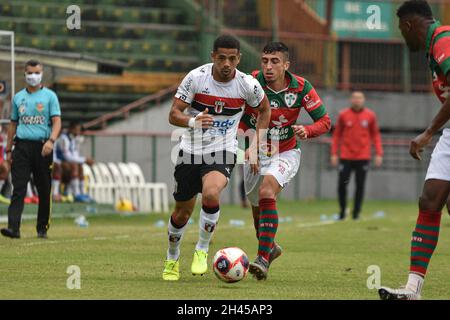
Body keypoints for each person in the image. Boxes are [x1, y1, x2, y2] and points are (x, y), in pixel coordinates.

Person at [162, 35, 271, 281]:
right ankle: (172, 257)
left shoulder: (247, 84)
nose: (226, 63)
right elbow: (173, 114)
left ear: (239, 59)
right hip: (190, 151)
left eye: (232, 58)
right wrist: (192, 121)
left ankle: (202, 249)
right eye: (221, 57)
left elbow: (265, 110)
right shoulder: (196, 78)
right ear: (213, 56)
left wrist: (255, 144)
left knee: (211, 193)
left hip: (223, 150)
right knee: (181, 213)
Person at [239, 42, 331, 280]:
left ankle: (261, 259)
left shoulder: (301, 87)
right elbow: (237, 117)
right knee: (257, 210)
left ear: (286, 65)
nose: (268, 67)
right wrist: (249, 146)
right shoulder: (251, 83)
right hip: (255, 152)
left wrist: (307, 130)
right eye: (265, 61)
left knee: (267, 190)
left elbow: (325, 121)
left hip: (286, 151)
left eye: (275, 61)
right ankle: (270, 247)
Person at [379, 0, 450, 300]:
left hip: (444, 131)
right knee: (430, 202)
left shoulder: (444, 40)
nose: (401, 36)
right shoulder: (435, 45)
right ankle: (412, 290)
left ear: (408, 25)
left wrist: (427, 133)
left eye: (400, 29)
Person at [1, 59, 61, 239]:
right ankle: (13, 228)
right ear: (25, 74)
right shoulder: (19, 97)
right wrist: (9, 149)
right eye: (30, 73)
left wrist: (51, 141)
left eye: (36, 72)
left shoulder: (50, 96)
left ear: (41, 74)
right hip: (22, 147)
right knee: (18, 187)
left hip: (43, 146)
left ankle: (42, 227)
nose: (33, 76)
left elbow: (57, 122)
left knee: (44, 188)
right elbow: (13, 124)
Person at [331, 91, 383, 220]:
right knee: (342, 185)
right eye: (354, 98)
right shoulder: (343, 115)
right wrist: (333, 153)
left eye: (359, 98)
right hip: (345, 156)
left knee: (360, 186)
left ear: (364, 100)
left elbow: (375, 135)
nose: (357, 100)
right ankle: (342, 212)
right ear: (350, 100)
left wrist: (379, 153)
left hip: (363, 156)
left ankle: (356, 213)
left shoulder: (370, 115)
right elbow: (337, 135)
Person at [54, 121, 94, 203]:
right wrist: (85, 160)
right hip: (59, 163)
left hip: (65, 163)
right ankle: (76, 194)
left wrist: (83, 160)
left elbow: (75, 155)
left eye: (79, 130)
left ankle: (82, 192)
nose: (78, 132)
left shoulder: (74, 139)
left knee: (80, 166)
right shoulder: (63, 138)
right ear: (71, 129)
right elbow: (67, 156)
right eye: (76, 130)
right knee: (75, 165)